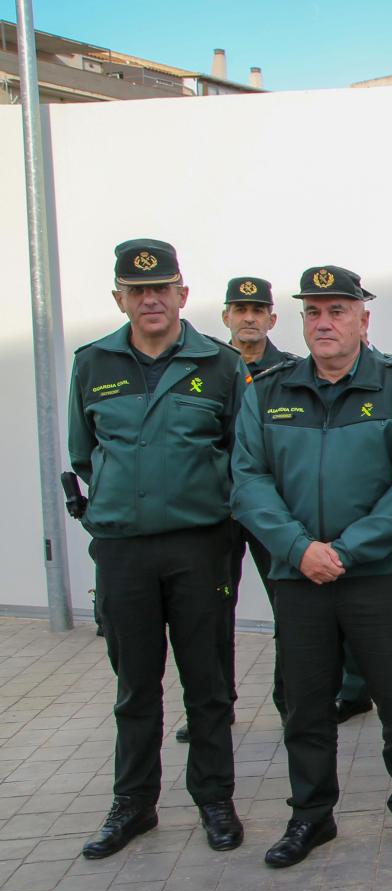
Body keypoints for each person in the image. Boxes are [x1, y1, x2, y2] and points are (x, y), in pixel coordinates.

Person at [231, 264, 392, 869]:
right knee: (305, 702)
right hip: (300, 579)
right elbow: (248, 481)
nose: (325, 323)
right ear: (300, 321)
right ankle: (311, 816)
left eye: (338, 311)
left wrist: (346, 550)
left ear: (363, 319)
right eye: (314, 312)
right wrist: (299, 549)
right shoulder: (268, 391)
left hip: (380, 576)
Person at [69, 239, 246, 858]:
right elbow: (83, 455)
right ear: (120, 298)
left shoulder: (221, 366)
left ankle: (215, 798)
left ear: (182, 295)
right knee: (135, 686)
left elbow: (242, 456)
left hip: (200, 548)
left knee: (209, 683)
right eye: (137, 291)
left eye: (161, 289)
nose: (151, 300)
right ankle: (133, 804)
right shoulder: (92, 364)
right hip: (123, 552)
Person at [172, 275, 294, 746]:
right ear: (225, 316)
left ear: (271, 319)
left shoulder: (288, 371)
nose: (248, 318)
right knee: (210, 613)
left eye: (257, 310)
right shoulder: (203, 366)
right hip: (218, 512)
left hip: (271, 509)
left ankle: (292, 703)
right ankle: (213, 707)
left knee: (290, 607)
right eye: (240, 310)